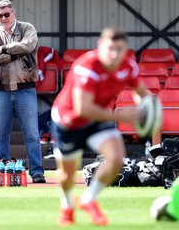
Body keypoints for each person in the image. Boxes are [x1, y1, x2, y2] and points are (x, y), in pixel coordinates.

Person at [51, 27, 150, 226]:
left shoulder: (128, 67)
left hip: (98, 118)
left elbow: (142, 93)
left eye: (119, 49)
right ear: (100, 46)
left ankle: (88, 200)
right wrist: (118, 115)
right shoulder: (87, 66)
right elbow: (82, 109)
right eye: (110, 48)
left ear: (126, 50)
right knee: (66, 176)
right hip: (69, 120)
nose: (114, 54)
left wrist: (146, 108)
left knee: (116, 159)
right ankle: (67, 206)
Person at [0, 0, 45, 183]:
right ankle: (0, 171)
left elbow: (28, 46)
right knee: (0, 134)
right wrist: (15, 52)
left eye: (6, 14)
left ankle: (36, 172)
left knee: (32, 134)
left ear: (14, 12)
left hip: (25, 89)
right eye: (0, 15)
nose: (3, 18)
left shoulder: (28, 28)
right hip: (1, 89)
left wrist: (2, 49)